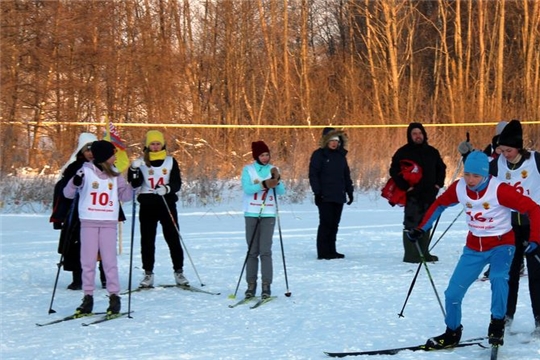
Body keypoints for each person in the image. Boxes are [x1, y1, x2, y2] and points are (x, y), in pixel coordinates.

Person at [406, 151, 540, 349]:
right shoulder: (459, 187)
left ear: (485, 174)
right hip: (474, 247)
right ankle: (452, 332)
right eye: (467, 174)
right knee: (452, 293)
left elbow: (533, 209)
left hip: (502, 245)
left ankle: (497, 324)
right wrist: (421, 228)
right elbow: (440, 204)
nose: (470, 180)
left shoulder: (499, 189)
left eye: (476, 176)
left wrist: (535, 238)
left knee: (498, 278)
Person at [64, 140, 136, 315]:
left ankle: (114, 298)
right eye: (113, 154)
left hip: (108, 223)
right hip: (88, 221)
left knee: (109, 262)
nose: (115, 157)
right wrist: (75, 182)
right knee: (87, 262)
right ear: (105, 156)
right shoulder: (85, 171)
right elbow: (67, 193)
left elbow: (125, 196)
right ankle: (87, 298)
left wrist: (135, 185)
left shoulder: (115, 174)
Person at [490, 119, 540, 336]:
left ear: (518, 147)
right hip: (508, 227)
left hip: (534, 226)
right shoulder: (496, 164)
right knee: (508, 273)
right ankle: (506, 317)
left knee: (537, 275)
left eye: (509, 150)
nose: (505, 154)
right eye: (502, 150)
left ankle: (539, 320)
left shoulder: (535, 161)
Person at [127, 130, 188, 288]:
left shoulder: (170, 161)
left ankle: (179, 272)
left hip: (166, 203)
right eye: (152, 144)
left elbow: (177, 183)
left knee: (173, 238)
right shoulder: (141, 162)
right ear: (147, 146)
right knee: (147, 240)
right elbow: (134, 184)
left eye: (157, 144)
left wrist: (167, 188)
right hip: (148, 204)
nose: (155, 147)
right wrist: (133, 170)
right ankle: (148, 273)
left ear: (163, 145)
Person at [49, 132, 107, 290]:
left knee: (102, 246)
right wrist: (59, 216)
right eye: (87, 150)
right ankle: (78, 278)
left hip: (100, 212)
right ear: (81, 151)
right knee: (77, 246)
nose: (90, 153)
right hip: (77, 214)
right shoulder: (74, 168)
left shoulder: (105, 167)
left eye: (92, 149)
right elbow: (63, 191)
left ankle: (105, 277)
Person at [389, 122, 446, 263]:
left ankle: (424, 253)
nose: (417, 136)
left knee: (426, 222)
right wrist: (404, 187)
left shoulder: (432, 152)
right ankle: (411, 255)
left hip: (430, 194)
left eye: (420, 133)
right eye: (414, 134)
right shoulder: (403, 152)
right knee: (411, 223)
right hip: (413, 195)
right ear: (410, 136)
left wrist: (439, 184)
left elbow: (441, 168)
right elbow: (394, 171)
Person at [240, 141, 286, 299]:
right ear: (256, 156)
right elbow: (248, 189)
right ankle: (250, 285)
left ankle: (266, 286)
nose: (265, 158)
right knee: (252, 251)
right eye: (262, 155)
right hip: (252, 212)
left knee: (265, 251)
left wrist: (277, 180)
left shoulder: (274, 169)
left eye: (267, 155)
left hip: (268, 213)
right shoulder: (249, 170)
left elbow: (281, 191)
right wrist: (265, 184)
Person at [309, 127, 354, 260]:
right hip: (325, 196)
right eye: (331, 140)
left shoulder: (341, 156)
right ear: (325, 141)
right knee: (326, 223)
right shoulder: (319, 155)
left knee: (335, 223)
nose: (334, 143)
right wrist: (317, 192)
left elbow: (346, 175)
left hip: (338, 195)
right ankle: (323, 252)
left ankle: (332, 250)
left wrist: (349, 191)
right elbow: (313, 174)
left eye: (336, 140)